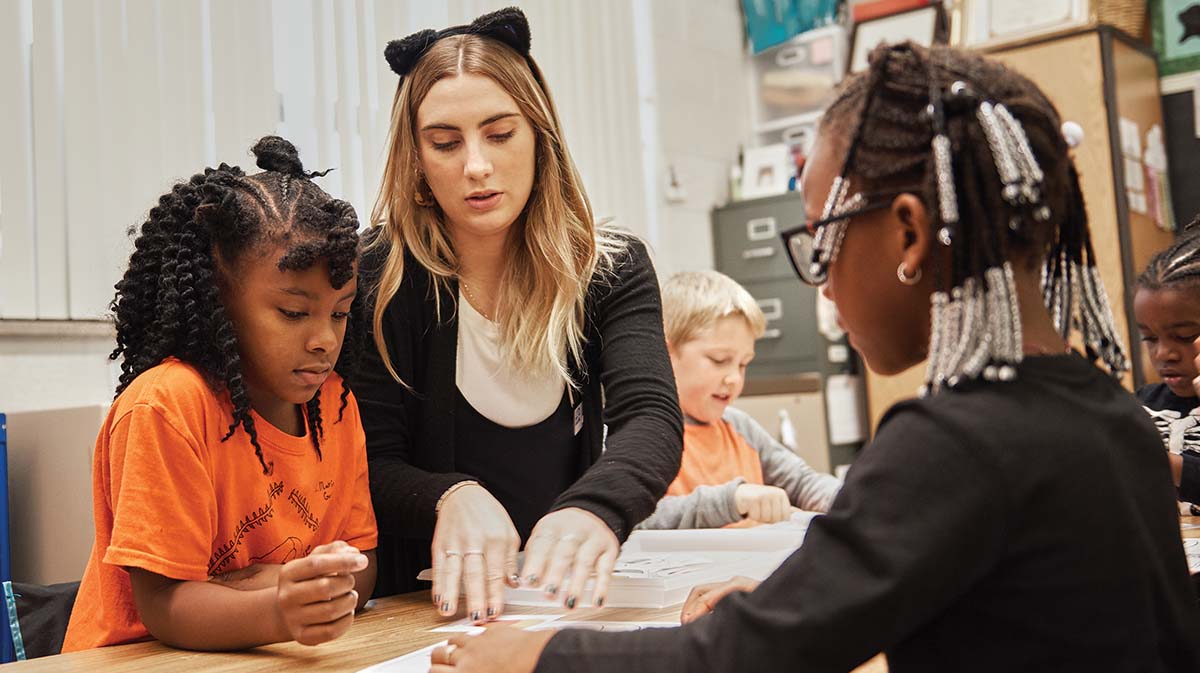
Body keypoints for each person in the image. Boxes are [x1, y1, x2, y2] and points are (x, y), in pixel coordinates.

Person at [426, 43, 1200, 673]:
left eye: (820, 242)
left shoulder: (955, 444)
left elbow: (735, 659)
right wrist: (788, 600)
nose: (820, 282)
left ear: (908, 234)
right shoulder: (1114, 416)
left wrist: (538, 655)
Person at [356, 6, 682, 623]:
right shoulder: (378, 276)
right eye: (445, 143)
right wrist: (447, 496)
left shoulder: (609, 268)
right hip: (421, 612)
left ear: (540, 137)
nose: (476, 165)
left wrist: (596, 507)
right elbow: (367, 462)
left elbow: (651, 417)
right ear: (416, 158)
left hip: (558, 603)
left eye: (500, 134)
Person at [61, 137, 378, 651]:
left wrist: (306, 585)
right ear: (219, 302)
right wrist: (279, 605)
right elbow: (165, 605)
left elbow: (362, 567)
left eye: (340, 313)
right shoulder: (166, 406)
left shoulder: (335, 406)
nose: (325, 339)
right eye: (294, 313)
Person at [637, 270, 840, 530]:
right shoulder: (638, 434)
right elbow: (638, 518)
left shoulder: (740, 428)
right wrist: (730, 501)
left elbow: (802, 482)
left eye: (743, 364)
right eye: (719, 360)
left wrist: (849, 499)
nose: (734, 378)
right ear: (665, 355)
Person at [1135, 222, 1200, 509]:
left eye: (1184, 336)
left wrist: (1159, 462)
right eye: (1150, 338)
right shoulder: (1138, 407)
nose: (1164, 353)